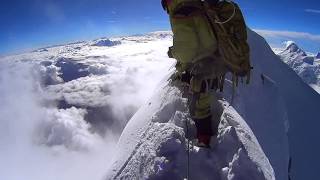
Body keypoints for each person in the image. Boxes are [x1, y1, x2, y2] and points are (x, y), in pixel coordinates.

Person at [162, 0, 221, 148]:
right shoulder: (197, 4)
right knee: (201, 91)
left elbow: (186, 51)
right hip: (214, 53)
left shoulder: (178, 11)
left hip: (202, 64)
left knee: (200, 100)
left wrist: (173, 53)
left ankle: (204, 138)